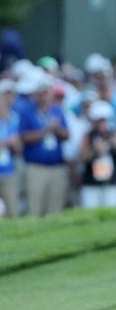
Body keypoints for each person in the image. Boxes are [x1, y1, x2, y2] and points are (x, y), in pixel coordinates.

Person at [18, 74, 70, 217]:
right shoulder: (28, 111)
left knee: (55, 209)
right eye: (41, 92)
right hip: (35, 167)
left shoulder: (57, 110)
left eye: (47, 91)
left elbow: (67, 135)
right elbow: (24, 137)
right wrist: (46, 130)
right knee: (35, 208)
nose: (44, 95)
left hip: (56, 166)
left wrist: (56, 129)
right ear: (36, 94)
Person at [79, 100, 116, 208]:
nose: (101, 124)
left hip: (112, 183)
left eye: (103, 120)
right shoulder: (88, 136)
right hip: (91, 184)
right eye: (99, 120)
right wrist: (95, 151)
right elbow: (82, 158)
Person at [0, 79, 21, 217]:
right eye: (4, 96)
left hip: (8, 170)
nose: (8, 99)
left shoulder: (14, 118)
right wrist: (6, 142)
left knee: (13, 211)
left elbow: (18, 148)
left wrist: (15, 144)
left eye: (11, 95)